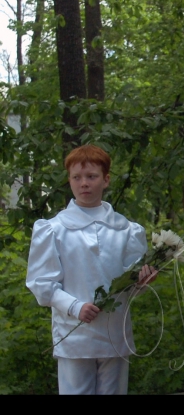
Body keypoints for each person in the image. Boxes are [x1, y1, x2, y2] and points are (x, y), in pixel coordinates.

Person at [26, 145, 156, 395]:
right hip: (74, 334)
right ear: (69, 181)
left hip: (115, 332)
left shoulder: (127, 230)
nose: (84, 183)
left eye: (92, 177)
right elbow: (42, 283)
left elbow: (130, 289)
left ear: (106, 180)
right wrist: (75, 306)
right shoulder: (54, 229)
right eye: (77, 177)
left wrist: (141, 282)